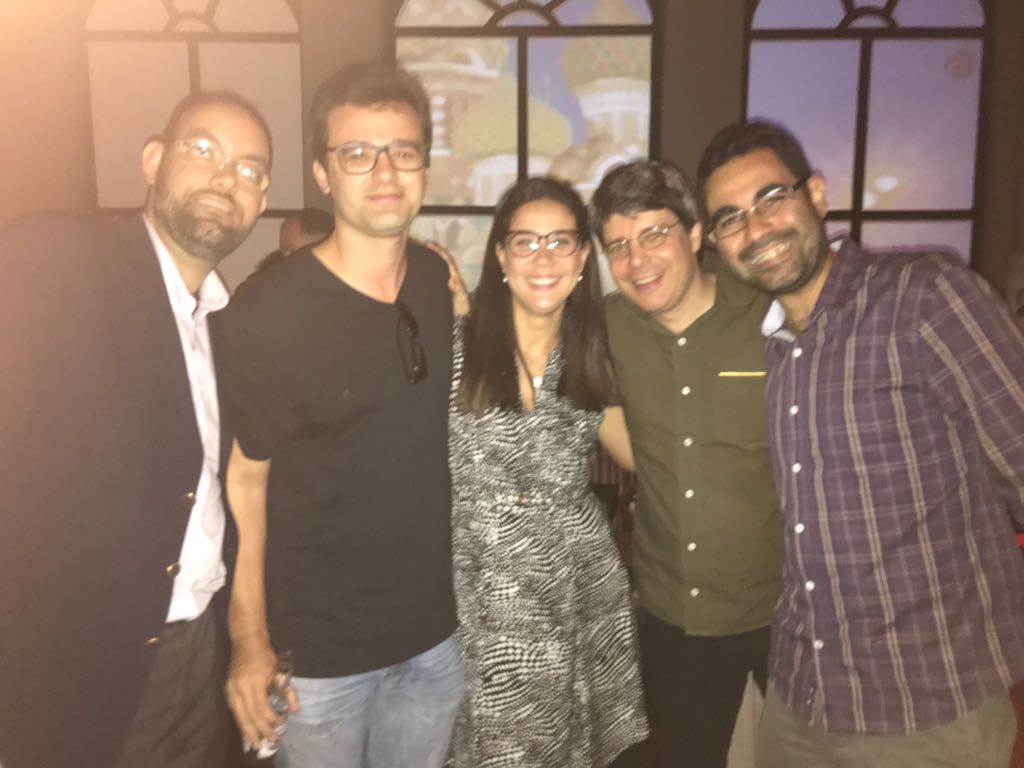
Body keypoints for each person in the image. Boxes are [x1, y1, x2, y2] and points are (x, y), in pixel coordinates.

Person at [697, 119, 1024, 768]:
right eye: (730, 219)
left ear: (816, 194)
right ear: (716, 243)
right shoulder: (770, 344)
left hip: (929, 706)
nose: (756, 229)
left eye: (771, 199)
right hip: (802, 697)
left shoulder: (923, 296)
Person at [0, 91, 272, 767]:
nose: (225, 177)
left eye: (248, 169)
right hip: (72, 661)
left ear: (261, 200)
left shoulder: (229, 324)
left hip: (196, 652)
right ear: (153, 161)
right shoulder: (55, 258)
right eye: (203, 150)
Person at [218, 61, 464, 768]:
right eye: (357, 153)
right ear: (323, 173)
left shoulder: (433, 279)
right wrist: (249, 640)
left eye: (403, 151)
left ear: (424, 167)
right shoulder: (267, 316)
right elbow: (245, 485)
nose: (384, 171)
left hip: (432, 639)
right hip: (319, 659)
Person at [448, 175, 648, 767]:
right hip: (476, 583)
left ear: (583, 258)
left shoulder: (591, 354)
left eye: (560, 242)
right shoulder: (452, 345)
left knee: (565, 745)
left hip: (573, 582)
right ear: (500, 256)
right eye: (525, 242)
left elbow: (643, 454)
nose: (543, 258)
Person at [589, 160, 783, 767]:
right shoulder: (606, 329)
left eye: (654, 234)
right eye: (618, 246)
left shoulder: (768, 316)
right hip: (673, 610)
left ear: (695, 234)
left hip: (785, 608)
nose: (637, 261)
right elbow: (633, 450)